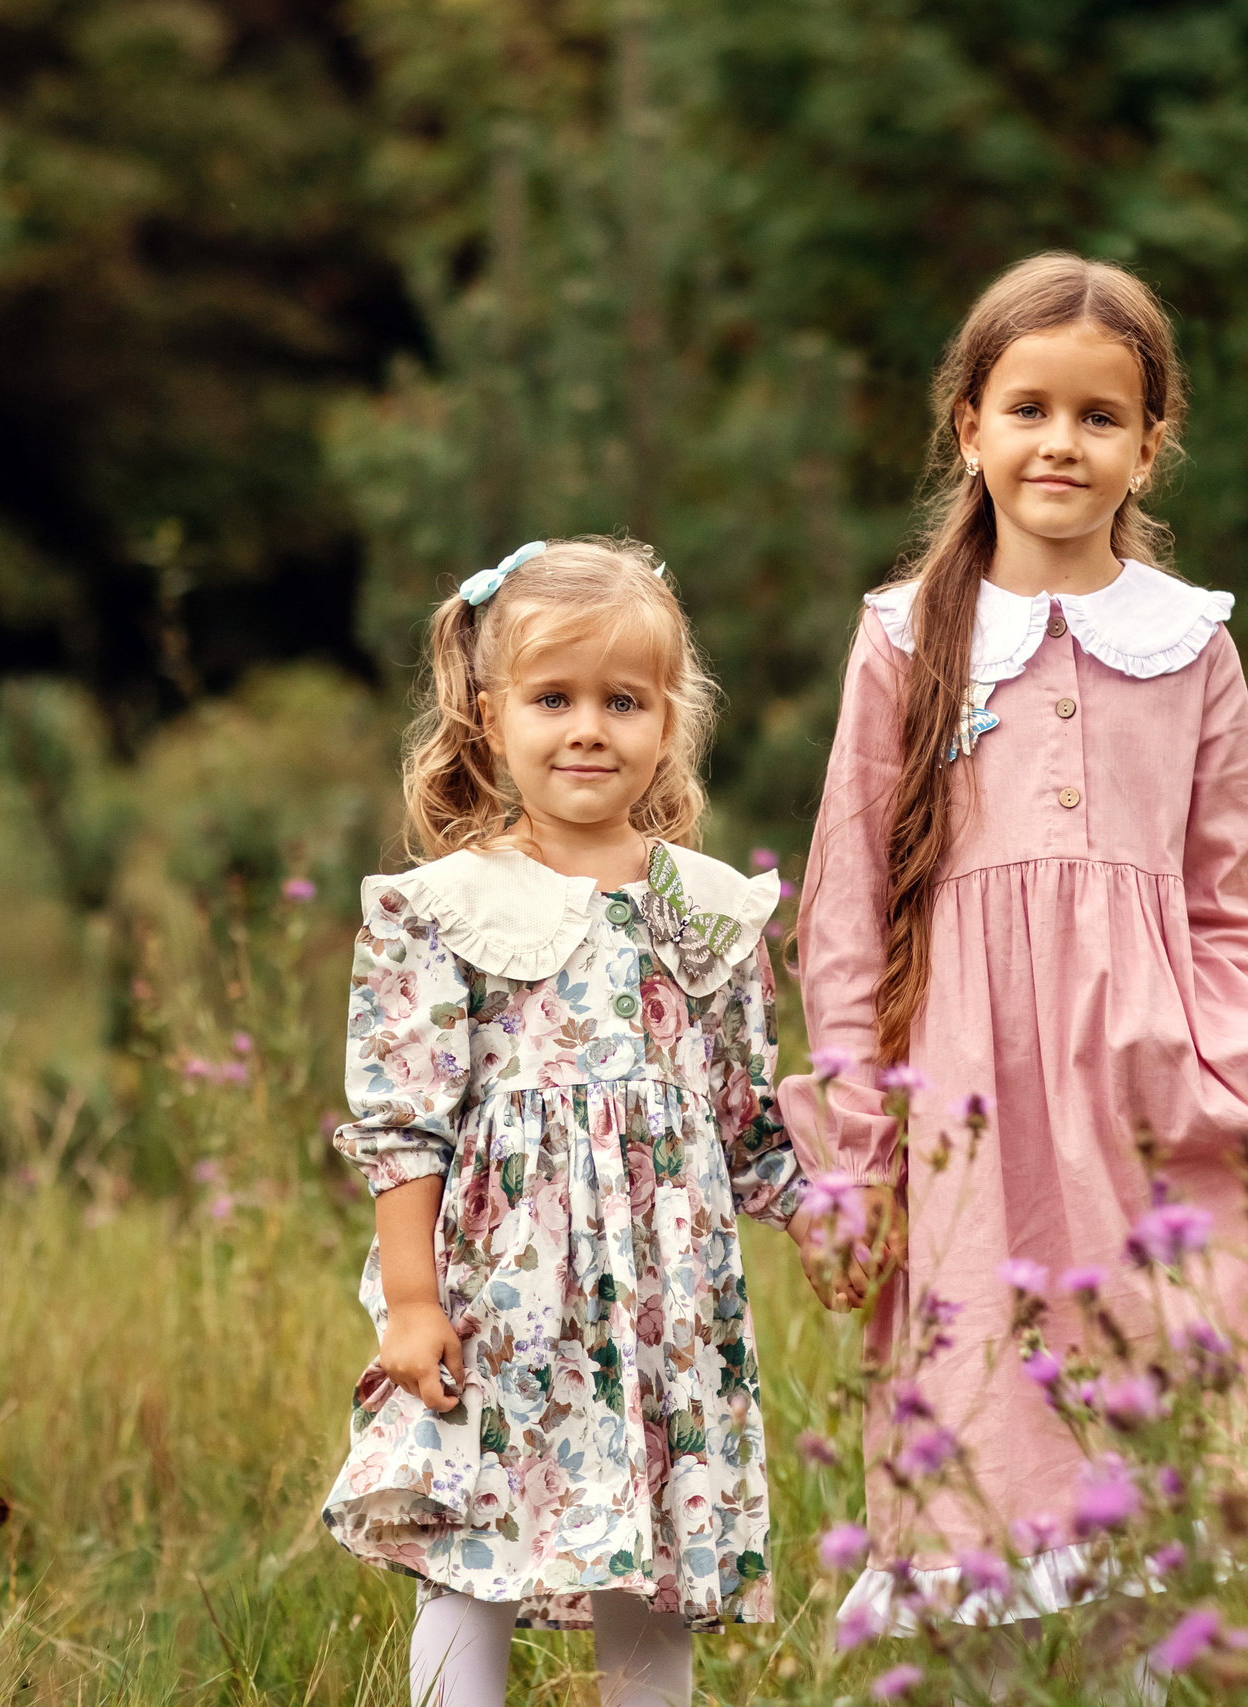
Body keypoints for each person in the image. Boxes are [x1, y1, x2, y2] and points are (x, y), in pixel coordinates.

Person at [779, 254, 1248, 1627]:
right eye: (1028, 407)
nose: (1061, 441)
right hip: (975, 1107)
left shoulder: (1192, 647)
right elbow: (846, 914)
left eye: (1100, 415)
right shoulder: (903, 642)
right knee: (984, 1420)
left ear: (1151, 442)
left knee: (1158, 1426)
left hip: (1148, 1097)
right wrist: (858, 1147)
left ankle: (1146, 1654)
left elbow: (1227, 914)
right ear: (967, 423)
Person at [320, 536, 840, 1707]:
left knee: (651, 1561)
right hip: (501, 1297)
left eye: (623, 700)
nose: (588, 729)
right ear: (491, 716)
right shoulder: (445, 907)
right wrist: (411, 1304)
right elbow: (402, 1123)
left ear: (668, 721)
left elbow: (746, 1121)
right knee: (468, 1551)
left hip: (664, 1306)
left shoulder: (702, 911)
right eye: (554, 699)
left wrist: (832, 1223)